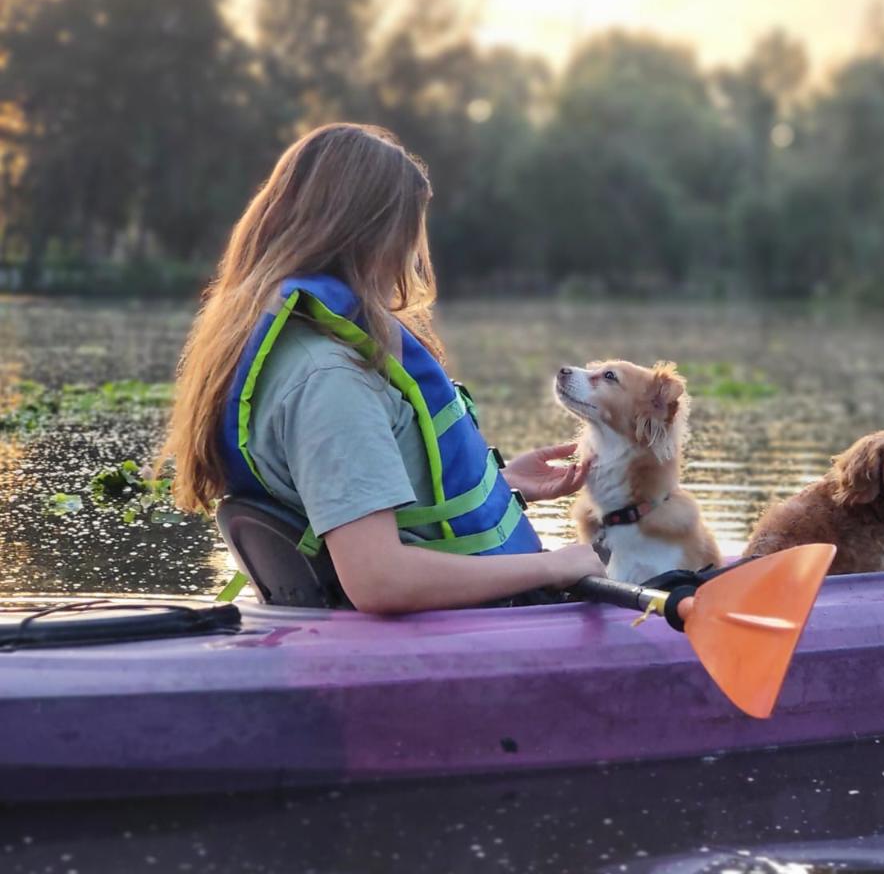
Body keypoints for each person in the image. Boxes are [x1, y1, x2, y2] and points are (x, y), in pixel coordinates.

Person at [162, 123, 604, 612]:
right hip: (446, 635)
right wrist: (557, 565)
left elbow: (342, 494)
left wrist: (503, 487)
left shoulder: (277, 338)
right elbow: (379, 579)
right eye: (408, 229)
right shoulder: (330, 379)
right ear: (370, 234)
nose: (411, 252)